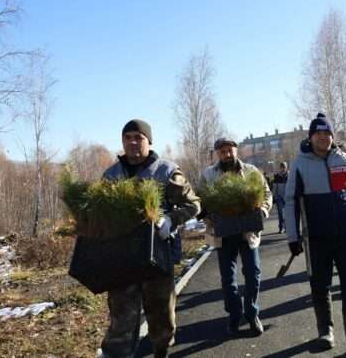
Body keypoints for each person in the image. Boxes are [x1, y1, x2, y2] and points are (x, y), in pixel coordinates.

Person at [100, 119, 201, 358]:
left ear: (149, 141)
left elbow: (193, 204)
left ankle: (161, 350)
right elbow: (100, 213)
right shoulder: (112, 176)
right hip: (122, 260)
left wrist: (171, 220)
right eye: (128, 137)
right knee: (121, 318)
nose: (133, 142)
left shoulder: (165, 171)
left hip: (158, 257)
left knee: (161, 317)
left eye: (139, 137)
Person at [285, 113, 346, 358]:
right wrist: (293, 238)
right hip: (317, 239)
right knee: (320, 286)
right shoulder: (299, 164)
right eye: (318, 133)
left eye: (327, 133)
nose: (323, 137)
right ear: (310, 136)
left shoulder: (345, 159)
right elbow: (291, 201)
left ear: (332, 136)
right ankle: (325, 331)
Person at [199, 137, 273, 336]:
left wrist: (263, 212)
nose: (226, 154)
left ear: (236, 150)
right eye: (222, 151)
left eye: (229, 150)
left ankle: (252, 313)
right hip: (223, 233)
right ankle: (234, 314)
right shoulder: (208, 174)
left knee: (253, 273)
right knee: (228, 278)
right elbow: (200, 199)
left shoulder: (251, 171)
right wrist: (207, 215)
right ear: (217, 154)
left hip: (248, 231)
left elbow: (266, 194)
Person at [271, 162, 289, 234]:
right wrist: (274, 197)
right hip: (279, 198)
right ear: (280, 168)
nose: (283, 169)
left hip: (288, 198)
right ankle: (281, 227)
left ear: (286, 168)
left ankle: (287, 227)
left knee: (288, 214)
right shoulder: (276, 177)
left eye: (284, 167)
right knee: (281, 213)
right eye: (282, 167)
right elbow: (275, 188)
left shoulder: (290, 176)